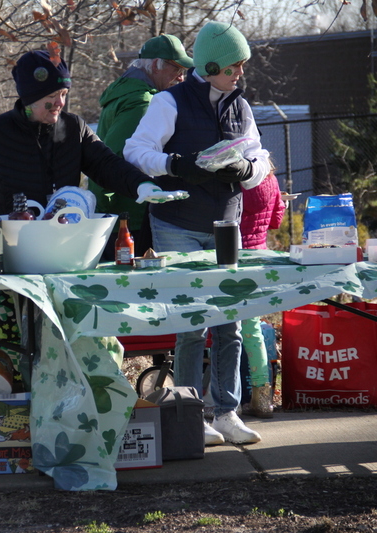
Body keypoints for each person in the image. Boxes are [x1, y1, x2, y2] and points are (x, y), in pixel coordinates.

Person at [0, 49, 187, 376]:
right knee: (16, 341)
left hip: (62, 259)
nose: (59, 104)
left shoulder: (73, 129)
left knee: (68, 337)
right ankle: (23, 408)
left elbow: (107, 165)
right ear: (28, 99)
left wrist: (141, 186)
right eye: (50, 99)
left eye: (63, 95)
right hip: (8, 262)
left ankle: (69, 401)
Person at [124, 21, 271, 446]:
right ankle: (189, 412)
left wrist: (248, 169)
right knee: (192, 323)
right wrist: (177, 165)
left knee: (230, 323)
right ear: (210, 66)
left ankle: (226, 411)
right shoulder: (169, 101)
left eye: (241, 66)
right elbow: (135, 151)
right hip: (178, 226)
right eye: (233, 66)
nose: (239, 73)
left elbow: (258, 155)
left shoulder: (239, 106)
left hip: (227, 224)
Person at [91, 34, 193, 260]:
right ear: (156, 65)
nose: (181, 77)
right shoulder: (142, 102)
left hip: (116, 211)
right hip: (130, 214)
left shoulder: (125, 93)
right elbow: (119, 158)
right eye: (177, 68)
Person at [239, 165, 285, 418]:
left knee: (224, 332)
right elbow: (276, 221)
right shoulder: (272, 180)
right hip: (259, 259)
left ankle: (228, 398)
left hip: (231, 258)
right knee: (252, 331)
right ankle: (262, 397)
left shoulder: (234, 181)